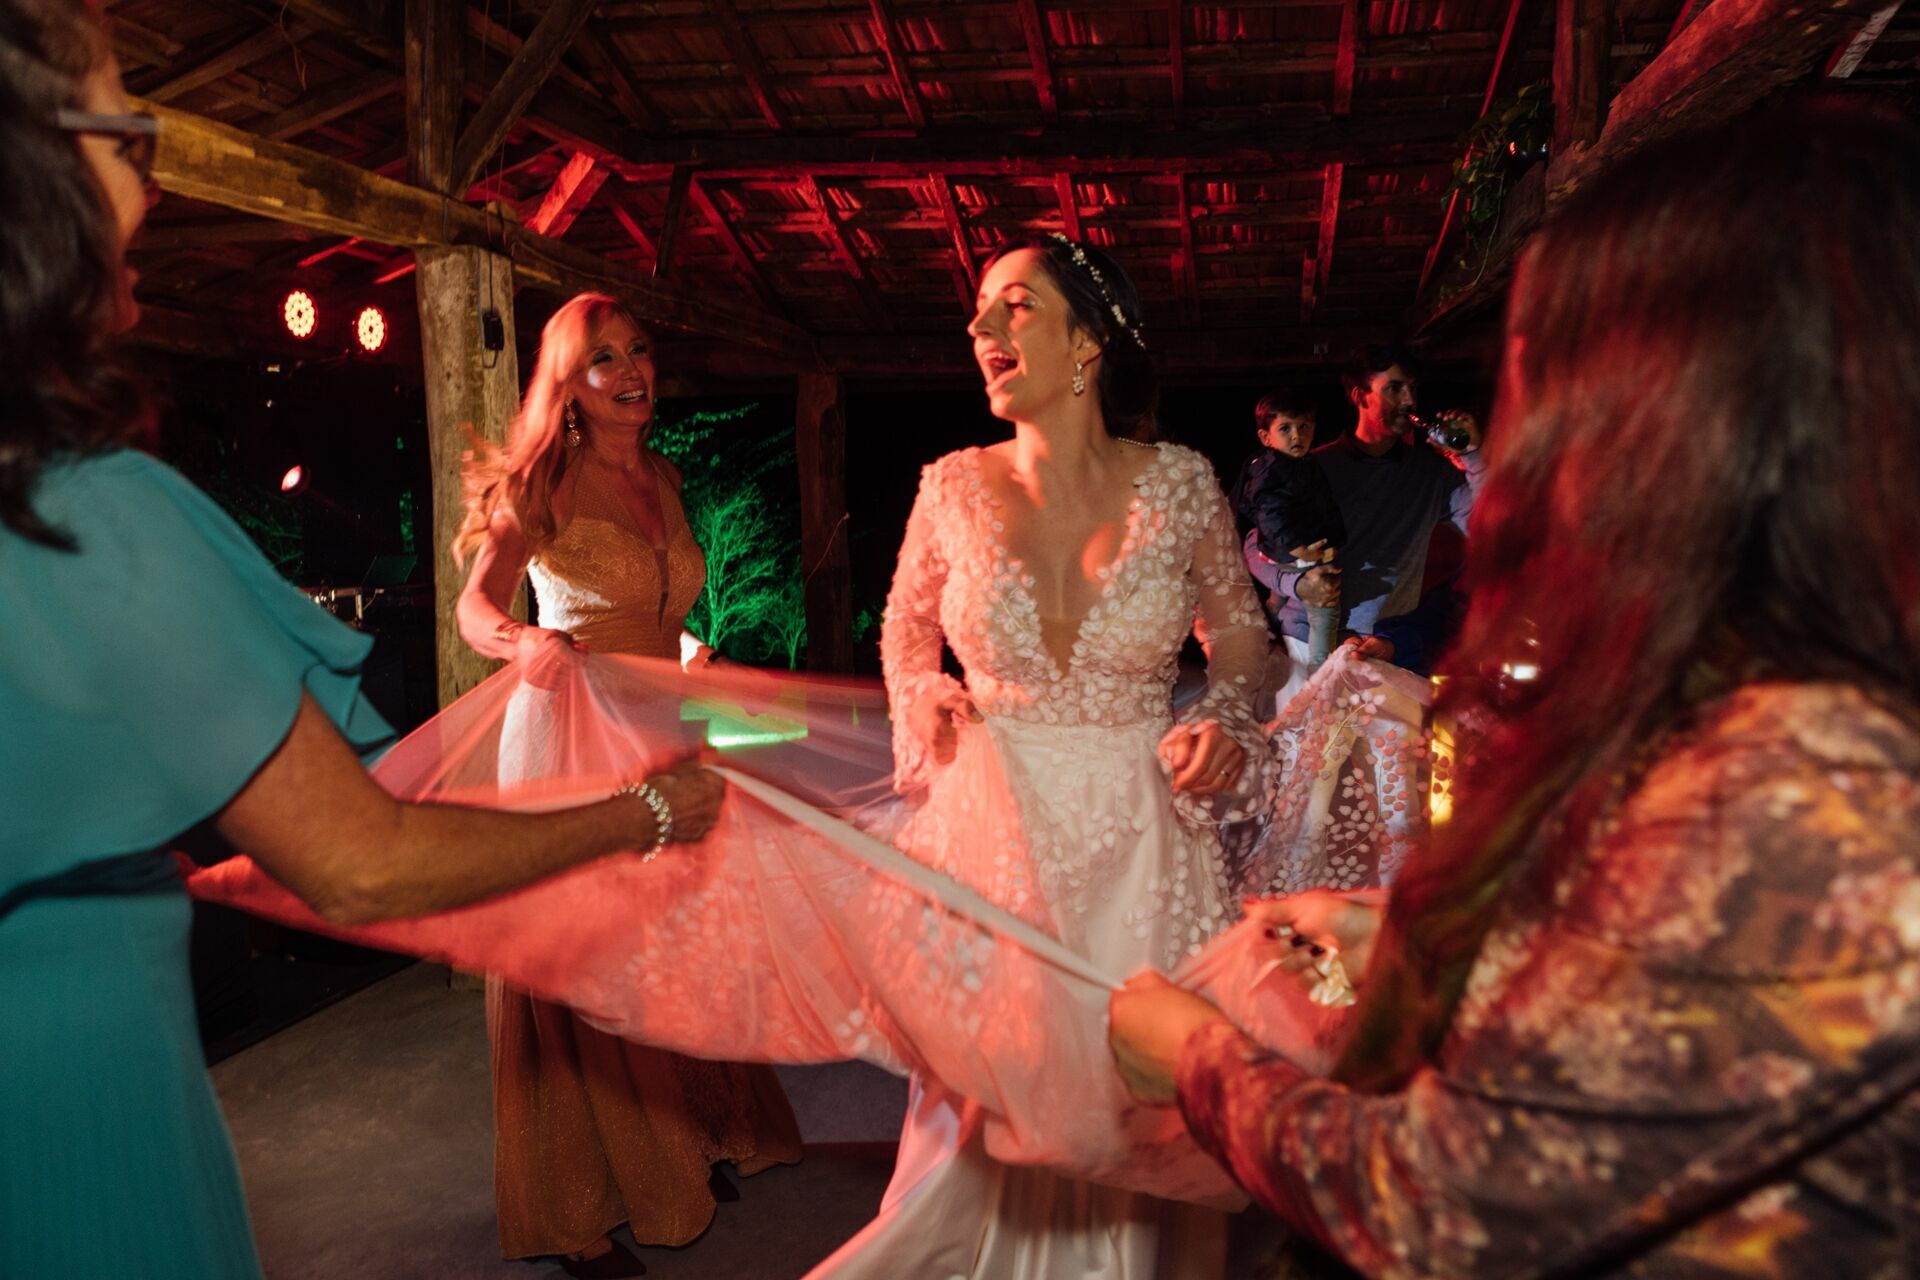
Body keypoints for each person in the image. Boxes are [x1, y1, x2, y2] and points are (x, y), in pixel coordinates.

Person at [1108, 103, 1920, 1277]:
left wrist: (1195, 1058)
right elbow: (1673, 1020)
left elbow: (1439, 1207)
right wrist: (1428, 943)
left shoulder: (1811, 789)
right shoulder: (1774, 697)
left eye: (1553, 381)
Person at [0, 8, 723, 1279]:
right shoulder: (90, 512)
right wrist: (642, 814)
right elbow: (368, 860)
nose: (155, 182)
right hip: (68, 1080)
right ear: (38, 179)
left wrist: (136, 869)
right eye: (131, 137)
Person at [817, 232, 1270, 1280]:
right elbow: (903, 632)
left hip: (1143, 847)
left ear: (1089, 343)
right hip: (995, 839)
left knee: (1139, 1113)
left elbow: (1238, 637)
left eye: (1011, 307)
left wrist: (1231, 719)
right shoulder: (950, 486)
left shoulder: (1185, 482)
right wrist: (924, 695)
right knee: (988, 1112)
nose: (978, 331)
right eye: (977, 312)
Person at [454, 292, 802, 1277]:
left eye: (640, 349)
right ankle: (585, 1204)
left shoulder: (666, 471)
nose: (631, 370)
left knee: (681, 939)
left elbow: (657, 606)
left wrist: (696, 650)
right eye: (604, 359)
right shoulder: (543, 483)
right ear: (570, 382)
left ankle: (690, 1137)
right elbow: (474, 609)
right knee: (589, 960)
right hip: (569, 731)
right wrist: (527, 640)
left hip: (663, 728)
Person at [1274, 344, 1483, 679]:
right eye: (1394, 389)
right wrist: (1293, 586)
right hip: (1306, 641)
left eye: (1412, 389)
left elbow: (1490, 530)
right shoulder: (1314, 467)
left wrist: (1472, 455)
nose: (1409, 401)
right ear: (1360, 397)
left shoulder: (1433, 474)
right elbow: (1260, 543)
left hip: (1384, 646)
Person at [1232, 390, 1346, 666]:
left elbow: (1325, 505)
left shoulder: (1304, 464)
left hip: (1295, 546)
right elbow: (1269, 514)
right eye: (1285, 429)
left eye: (1303, 427)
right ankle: (1321, 668)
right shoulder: (1269, 470)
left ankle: (1268, 620)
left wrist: (1335, 541)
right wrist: (1298, 549)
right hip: (1285, 549)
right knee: (1325, 606)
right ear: (1265, 437)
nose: (1296, 436)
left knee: (1278, 600)